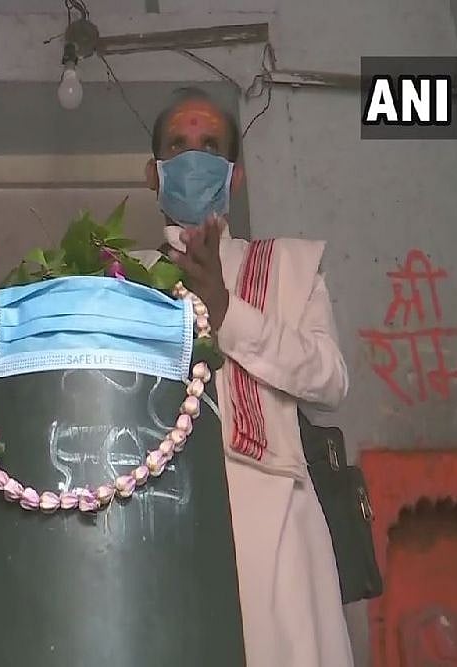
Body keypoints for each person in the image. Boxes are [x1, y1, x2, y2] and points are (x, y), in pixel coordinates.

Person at [133, 87, 355, 666]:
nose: (193, 157)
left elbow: (330, 381)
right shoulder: (121, 280)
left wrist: (227, 310)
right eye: (178, 146)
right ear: (153, 174)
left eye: (210, 147)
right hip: (156, 526)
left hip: (277, 521)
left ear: (234, 178)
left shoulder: (287, 266)